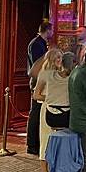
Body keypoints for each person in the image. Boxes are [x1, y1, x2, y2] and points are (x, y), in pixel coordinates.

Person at [33, 48, 63, 172]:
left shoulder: (62, 74)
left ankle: (57, 170)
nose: (60, 60)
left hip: (61, 111)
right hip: (47, 109)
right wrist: (50, 97)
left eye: (61, 58)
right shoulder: (44, 74)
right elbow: (36, 95)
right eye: (58, 58)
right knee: (45, 140)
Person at [26, 20, 53, 156]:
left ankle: (36, 142)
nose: (52, 33)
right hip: (37, 81)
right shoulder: (36, 44)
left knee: (38, 112)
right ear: (47, 30)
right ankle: (32, 144)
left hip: (41, 81)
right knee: (35, 112)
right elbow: (37, 65)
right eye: (51, 30)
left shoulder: (41, 43)